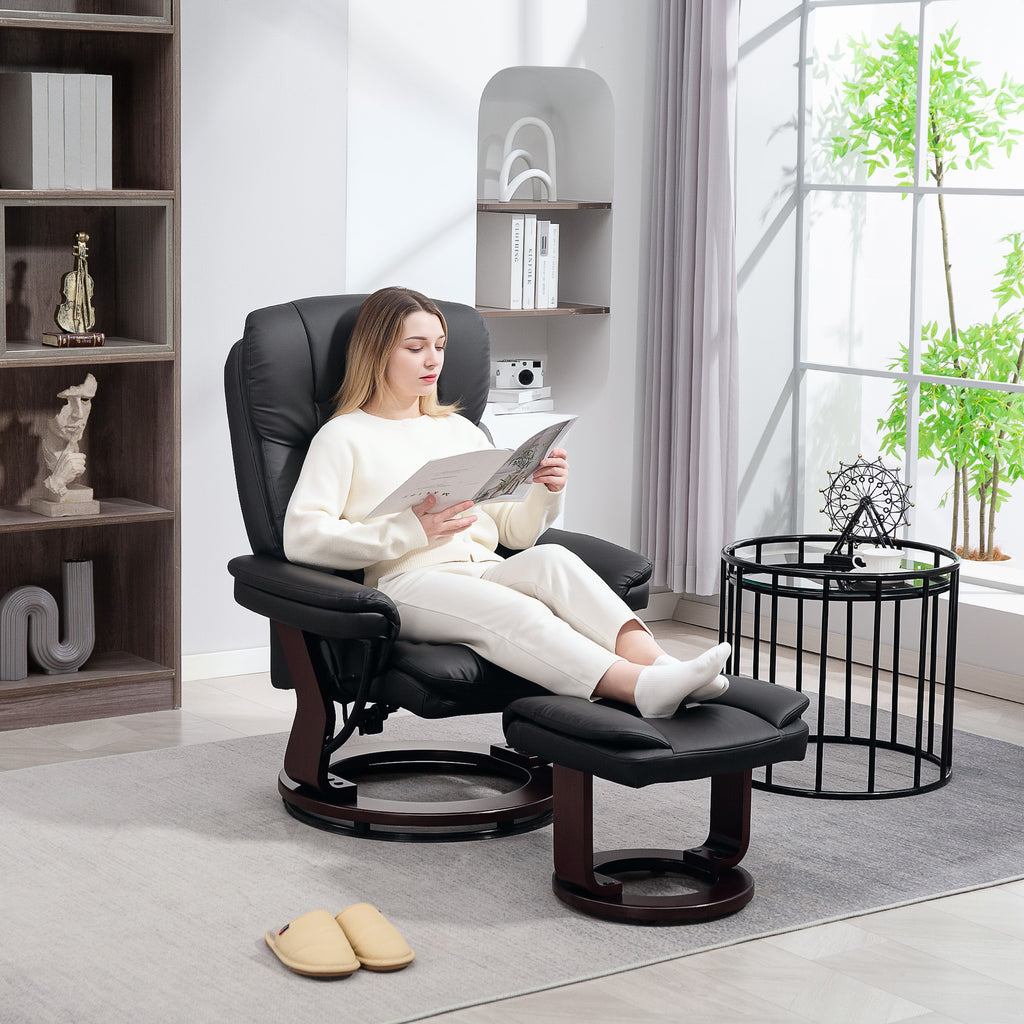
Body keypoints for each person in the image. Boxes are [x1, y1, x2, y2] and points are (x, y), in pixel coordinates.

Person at [283, 286, 730, 718]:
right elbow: (302, 538)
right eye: (415, 347)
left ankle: (662, 666)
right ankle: (638, 688)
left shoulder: (460, 430)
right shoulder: (344, 436)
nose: (433, 359)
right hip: (408, 583)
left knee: (552, 558)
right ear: (377, 352)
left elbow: (515, 532)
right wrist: (409, 530)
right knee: (516, 609)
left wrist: (546, 492)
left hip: (485, 568)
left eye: (439, 345)